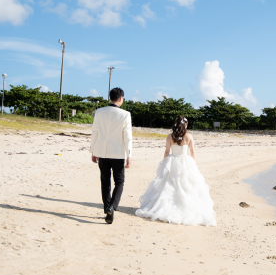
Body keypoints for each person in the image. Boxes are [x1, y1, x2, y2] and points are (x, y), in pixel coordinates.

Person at [136, 116, 216, 226]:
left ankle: (165, 206)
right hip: (185, 161)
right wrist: (193, 164)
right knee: (186, 184)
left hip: (172, 161)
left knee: (168, 184)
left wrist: (164, 162)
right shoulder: (189, 136)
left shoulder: (170, 136)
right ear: (185, 125)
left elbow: (166, 152)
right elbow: (192, 152)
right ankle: (184, 207)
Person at [90, 87, 132, 224]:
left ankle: (107, 208)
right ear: (121, 99)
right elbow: (127, 137)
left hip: (102, 152)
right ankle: (111, 207)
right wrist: (129, 155)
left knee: (105, 181)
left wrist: (93, 151)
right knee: (119, 182)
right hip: (118, 153)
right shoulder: (125, 114)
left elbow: (94, 132)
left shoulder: (99, 112)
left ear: (110, 97)